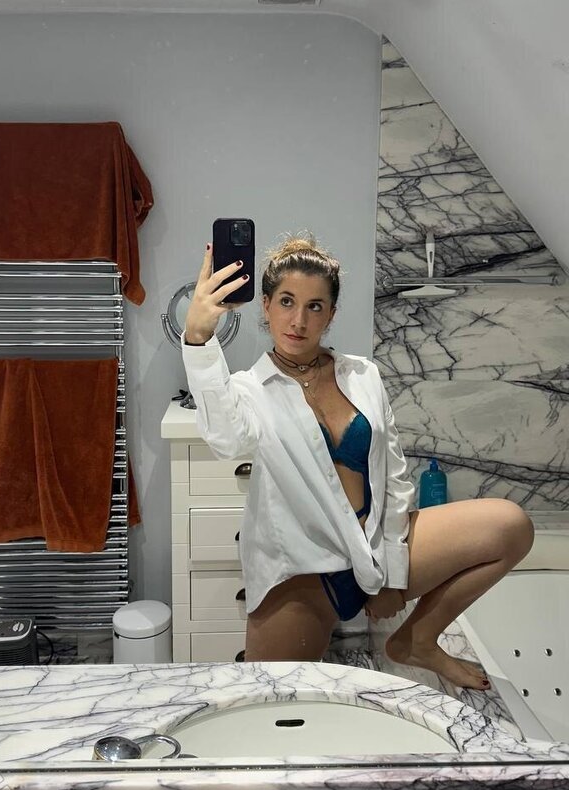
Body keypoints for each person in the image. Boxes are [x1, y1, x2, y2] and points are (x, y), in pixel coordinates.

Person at [181, 233, 534, 691]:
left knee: (510, 526)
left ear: (330, 314)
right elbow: (227, 441)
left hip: (374, 545)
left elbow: (394, 476)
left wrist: (394, 573)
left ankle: (419, 639)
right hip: (303, 569)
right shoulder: (250, 390)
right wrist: (198, 339)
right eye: (286, 302)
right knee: (273, 698)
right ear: (265, 306)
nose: (298, 320)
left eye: (314, 306)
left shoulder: (363, 375)